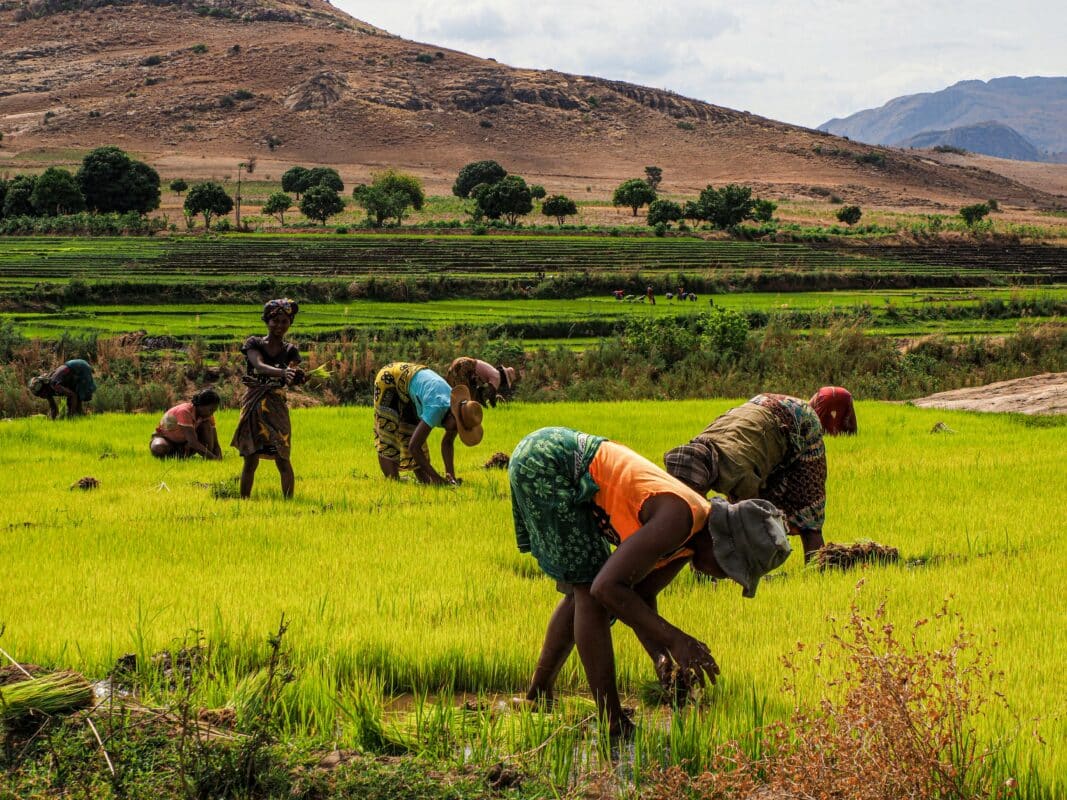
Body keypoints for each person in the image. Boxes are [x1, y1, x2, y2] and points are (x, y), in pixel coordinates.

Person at [510, 427, 792, 737]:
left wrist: (660, 656)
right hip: (548, 462)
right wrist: (676, 641)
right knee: (590, 595)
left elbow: (639, 595)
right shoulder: (679, 518)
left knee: (584, 590)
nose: (722, 576)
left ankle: (538, 695)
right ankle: (612, 720)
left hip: (561, 460)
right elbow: (606, 589)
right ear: (721, 544)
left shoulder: (689, 541)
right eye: (728, 569)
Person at [665, 393, 828, 561]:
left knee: (807, 510)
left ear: (702, 483)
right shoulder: (696, 451)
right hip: (760, 410)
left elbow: (754, 522)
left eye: (694, 492)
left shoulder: (737, 473)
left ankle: (818, 570)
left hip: (799, 420)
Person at [231, 299, 304, 499]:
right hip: (254, 404)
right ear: (266, 321)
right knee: (251, 458)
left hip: (276, 407)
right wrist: (283, 373)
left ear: (290, 323)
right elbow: (259, 366)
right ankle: (244, 501)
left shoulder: (291, 351)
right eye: (275, 321)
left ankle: (288, 501)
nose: (279, 326)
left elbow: (291, 377)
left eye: (284, 321)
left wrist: (298, 377)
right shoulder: (254, 343)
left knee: (282, 456)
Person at [373, 362, 484, 485]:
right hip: (390, 378)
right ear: (453, 415)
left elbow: (447, 443)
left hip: (412, 384)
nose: (455, 430)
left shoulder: (457, 413)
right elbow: (414, 447)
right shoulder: (437, 408)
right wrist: (436, 477)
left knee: (410, 430)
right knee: (388, 431)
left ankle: (425, 481)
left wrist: (450, 476)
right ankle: (392, 483)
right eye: (457, 427)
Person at [150, 387, 223, 459]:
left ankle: (181, 453)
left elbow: (215, 442)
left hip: (183, 443)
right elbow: (193, 442)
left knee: (207, 425)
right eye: (210, 410)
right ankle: (177, 453)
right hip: (166, 439)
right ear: (201, 405)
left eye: (214, 411)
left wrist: (219, 456)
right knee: (159, 448)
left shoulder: (208, 415)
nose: (211, 413)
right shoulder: (184, 411)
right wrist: (214, 458)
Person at [28, 359, 97, 419]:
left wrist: (70, 416)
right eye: (40, 396)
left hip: (80, 368)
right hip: (71, 374)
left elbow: (73, 395)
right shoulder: (47, 391)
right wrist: (52, 421)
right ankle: (80, 417)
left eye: (41, 394)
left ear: (43, 388)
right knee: (71, 404)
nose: (42, 396)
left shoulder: (54, 384)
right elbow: (54, 408)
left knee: (77, 399)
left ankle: (77, 417)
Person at [445, 357, 517, 408]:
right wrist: (493, 407)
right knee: (463, 395)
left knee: (459, 392)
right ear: (504, 378)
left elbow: (480, 390)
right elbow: (490, 396)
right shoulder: (497, 378)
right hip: (466, 365)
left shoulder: (493, 372)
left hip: (461, 361)